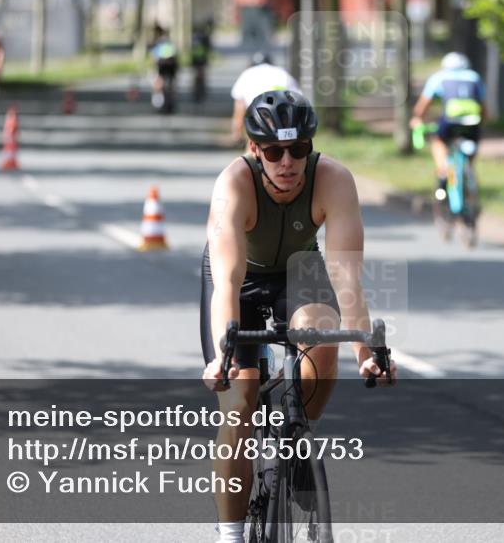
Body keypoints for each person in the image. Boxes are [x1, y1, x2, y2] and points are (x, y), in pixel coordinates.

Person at [200, 89, 396, 543]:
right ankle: (229, 534)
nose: (287, 162)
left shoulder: (333, 180)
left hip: (299, 272)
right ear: (255, 150)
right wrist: (224, 359)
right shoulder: (233, 184)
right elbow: (226, 282)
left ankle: (296, 439)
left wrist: (366, 351)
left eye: (298, 149)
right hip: (241, 280)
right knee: (239, 401)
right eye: (273, 151)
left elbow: (346, 278)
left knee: (322, 346)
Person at [409, 52, 485, 201]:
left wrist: (417, 119)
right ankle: (468, 174)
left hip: (450, 121)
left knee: (438, 140)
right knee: (471, 148)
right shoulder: (474, 77)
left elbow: (423, 104)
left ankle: (443, 171)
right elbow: (483, 106)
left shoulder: (439, 77)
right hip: (473, 121)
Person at [228, 52, 300, 146]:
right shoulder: (282, 72)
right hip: (284, 114)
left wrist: (237, 133)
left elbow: (239, 109)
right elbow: (298, 99)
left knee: (253, 147)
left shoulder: (247, 74)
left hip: (258, 113)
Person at [150, 26, 179, 110]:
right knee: (172, 84)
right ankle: (171, 100)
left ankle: (158, 100)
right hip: (170, 66)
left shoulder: (158, 43)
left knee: (158, 83)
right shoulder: (171, 44)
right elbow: (176, 57)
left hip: (162, 65)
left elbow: (154, 57)